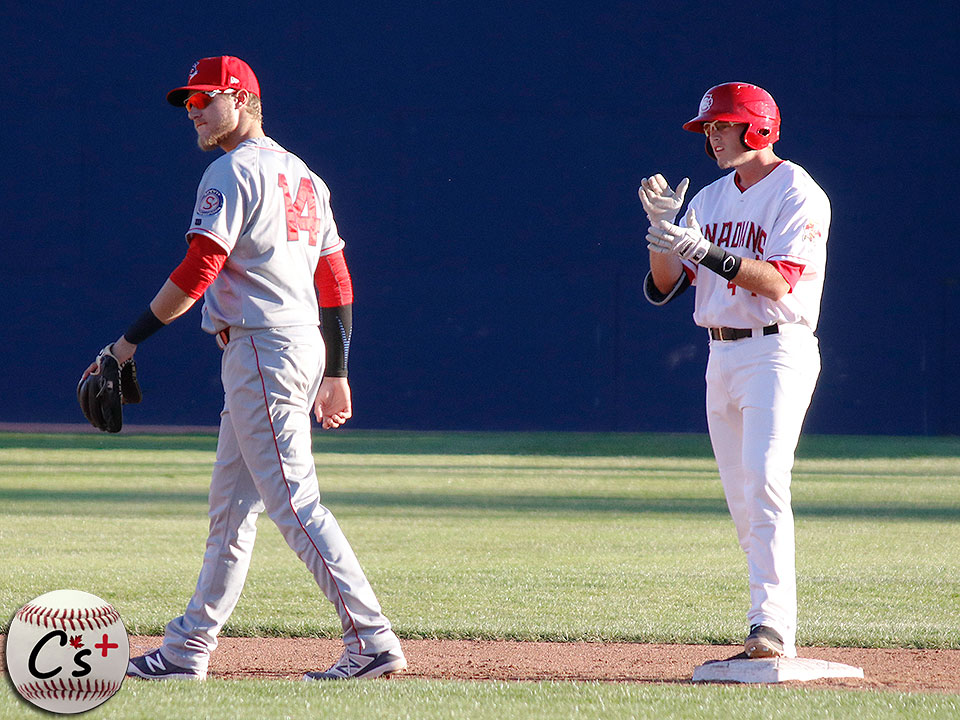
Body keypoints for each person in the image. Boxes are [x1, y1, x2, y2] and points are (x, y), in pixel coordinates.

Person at [80, 55, 405, 680]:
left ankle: (372, 639)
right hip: (293, 344)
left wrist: (126, 344)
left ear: (239, 97)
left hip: (261, 347)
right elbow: (333, 279)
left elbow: (199, 271)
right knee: (231, 509)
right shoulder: (305, 176)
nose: (193, 111)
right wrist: (336, 368)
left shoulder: (229, 172)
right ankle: (186, 649)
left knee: (294, 502)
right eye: (189, 103)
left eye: (203, 99)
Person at [638, 82, 830, 659]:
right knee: (743, 497)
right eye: (710, 129)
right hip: (721, 354)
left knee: (766, 480)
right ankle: (764, 620)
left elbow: (776, 281)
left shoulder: (798, 191)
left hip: (778, 350)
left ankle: (771, 626)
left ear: (758, 127)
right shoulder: (712, 197)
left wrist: (697, 248)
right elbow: (665, 286)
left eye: (723, 126)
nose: (713, 137)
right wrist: (664, 233)